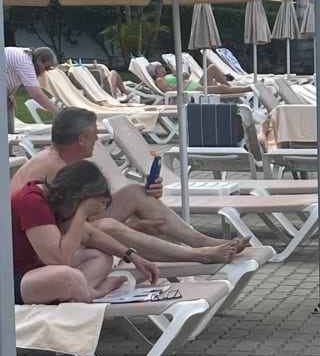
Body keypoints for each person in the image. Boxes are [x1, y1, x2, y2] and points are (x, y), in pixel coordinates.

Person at [10, 107, 246, 264]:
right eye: (94, 135)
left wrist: (140, 211)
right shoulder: (52, 168)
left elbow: (89, 208)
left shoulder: (65, 161)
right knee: (110, 226)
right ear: (81, 138)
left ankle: (203, 241)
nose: (97, 140)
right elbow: (72, 225)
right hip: (38, 245)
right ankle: (198, 254)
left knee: (135, 193)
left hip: (60, 228)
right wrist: (132, 227)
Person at [11, 160, 160, 304]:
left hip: (31, 269)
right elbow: (59, 260)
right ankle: (95, 293)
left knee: (102, 256)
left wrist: (132, 256)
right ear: (78, 196)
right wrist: (82, 212)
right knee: (67, 276)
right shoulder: (32, 201)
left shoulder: (58, 201)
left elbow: (90, 236)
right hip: (9, 281)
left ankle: (75, 292)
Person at [4, 46, 61, 134]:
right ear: (39, 60)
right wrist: (58, 113)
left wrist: (10, 94)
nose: (44, 71)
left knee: (8, 127)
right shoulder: (25, 63)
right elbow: (36, 94)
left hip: (4, 89)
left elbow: (14, 75)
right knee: (5, 132)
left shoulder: (26, 56)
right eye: (46, 67)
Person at [147, 62, 250, 95]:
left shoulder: (167, 76)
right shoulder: (159, 80)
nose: (163, 68)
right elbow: (169, 91)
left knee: (212, 68)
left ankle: (231, 89)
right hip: (192, 90)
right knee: (220, 88)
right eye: (161, 67)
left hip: (195, 85)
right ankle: (247, 89)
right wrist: (182, 81)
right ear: (157, 70)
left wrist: (186, 76)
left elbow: (183, 81)